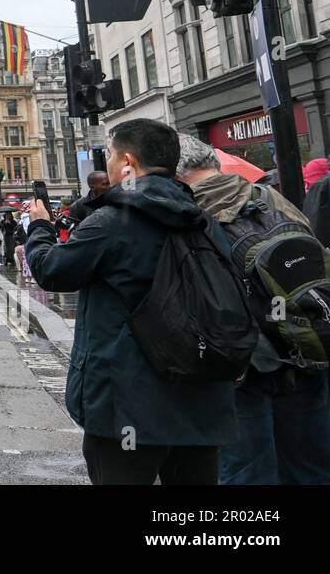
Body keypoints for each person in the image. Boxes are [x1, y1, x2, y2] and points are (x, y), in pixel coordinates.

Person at [25, 118, 239, 485]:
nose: (106, 164)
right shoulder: (202, 218)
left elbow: (51, 271)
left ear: (127, 162)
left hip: (126, 403)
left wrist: (40, 227)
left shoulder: (110, 222)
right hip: (200, 397)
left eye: (109, 155)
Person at [176, 135, 330, 485]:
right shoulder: (269, 197)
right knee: (312, 466)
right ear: (213, 164)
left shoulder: (188, 213)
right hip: (307, 344)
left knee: (248, 472)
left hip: (245, 365)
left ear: (177, 174)